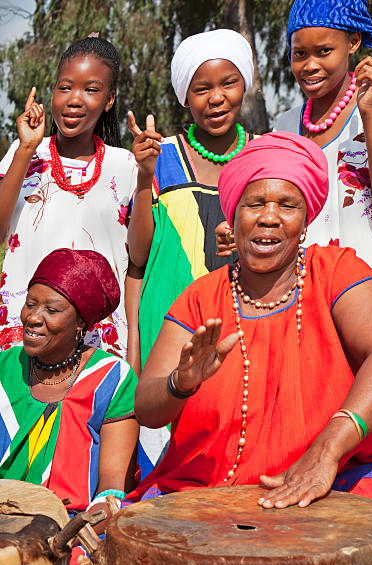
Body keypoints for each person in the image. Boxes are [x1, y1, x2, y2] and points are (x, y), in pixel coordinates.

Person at [129, 133, 372, 565]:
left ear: (305, 219)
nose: (269, 216)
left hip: (346, 470)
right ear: (233, 213)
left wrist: (326, 452)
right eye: (255, 203)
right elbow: (145, 406)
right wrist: (179, 383)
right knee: (117, 557)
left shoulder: (337, 271)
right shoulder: (200, 298)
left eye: (286, 205)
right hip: (213, 485)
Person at [273, 0, 372, 423]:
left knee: (370, 432)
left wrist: (369, 112)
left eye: (324, 51)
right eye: (299, 53)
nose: (309, 65)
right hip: (304, 301)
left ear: (353, 43)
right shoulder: (285, 125)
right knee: (306, 427)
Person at [126, 28, 256, 477]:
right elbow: (138, 255)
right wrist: (144, 179)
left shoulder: (261, 158)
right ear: (185, 97)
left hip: (239, 321)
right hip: (168, 320)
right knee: (166, 454)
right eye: (201, 89)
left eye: (228, 83)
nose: (216, 98)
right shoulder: (158, 157)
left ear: (246, 86)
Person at [0, 36, 138, 359]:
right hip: (24, 338)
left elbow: (137, 266)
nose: (74, 99)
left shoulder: (127, 167)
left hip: (100, 346)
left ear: (109, 99)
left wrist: (134, 349)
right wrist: (25, 150)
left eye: (90, 90)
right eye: (65, 87)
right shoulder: (23, 156)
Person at [0, 248, 139, 514]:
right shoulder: (4, 368)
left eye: (51, 310)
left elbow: (112, 495)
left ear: (80, 324)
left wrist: (66, 538)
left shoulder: (111, 379)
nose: (33, 318)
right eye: (30, 303)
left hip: (75, 529)